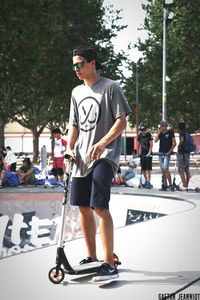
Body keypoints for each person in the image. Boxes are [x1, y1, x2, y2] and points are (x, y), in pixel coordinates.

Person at [67, 45, 131, 282]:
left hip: (104, 156)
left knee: (100, 207)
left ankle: (108, 263)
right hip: (81, 158)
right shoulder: (76, 92)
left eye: (80, 64)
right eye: (74, 65)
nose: (76, 69)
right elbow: (73, 125)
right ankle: (92, 257)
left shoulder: (111, 87)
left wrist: (103, 143)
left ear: (93, 63)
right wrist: (68, 147)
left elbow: (121, 122)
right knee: (83, 207)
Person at [154, 120, 176, 191]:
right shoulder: (160, 133)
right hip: (161, 153)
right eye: (161, 126)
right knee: (162, 169)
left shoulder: (170, 132)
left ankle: (170, 184)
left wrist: (169, 152)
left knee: (166, 169)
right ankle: (164, 184)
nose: (161, 127)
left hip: (167, 153)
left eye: (163, 125)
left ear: (166, 126)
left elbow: (174, 143)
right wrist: (159, 132)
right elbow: (155, 140)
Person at [137, 124, 153, 189]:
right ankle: (145, 181)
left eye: (144, 131)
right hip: (142, 153)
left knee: (148, 168)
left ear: (146, 130)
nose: (143, 132)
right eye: (141, 131)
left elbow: (151, 144)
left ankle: (149, 182)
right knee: (143, 168)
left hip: (148, 153)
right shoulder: (140, 135)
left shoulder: (149, 135)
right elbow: (138, 144)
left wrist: (149, 153)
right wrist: (138, 152)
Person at [177, 121, 190, 191]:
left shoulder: (181, 133)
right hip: (187, 153)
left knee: (181, 169)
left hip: (182, 153)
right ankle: (186, 185)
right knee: (186, 169)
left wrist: (178, 146)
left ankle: (184, 186)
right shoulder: (187, 133)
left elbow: (181, 140)